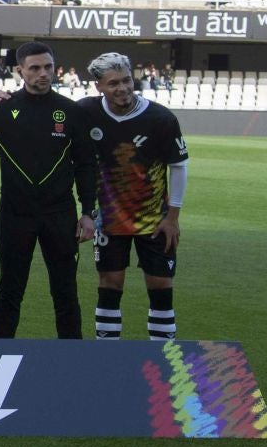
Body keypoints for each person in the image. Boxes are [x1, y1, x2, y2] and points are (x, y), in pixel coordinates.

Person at [0, 41, 98, 340]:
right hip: (15, 214)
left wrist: (88, 213)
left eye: (48, 67)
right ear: (19, 70)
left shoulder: (70, 112)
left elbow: (87, 165)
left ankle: (72, 358)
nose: (43, 73)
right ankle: (1, 356)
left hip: (60, 215)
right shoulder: (2, 108)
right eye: (34, 68)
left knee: (65, 292)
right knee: (10, 291)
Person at [76, 53, 187, 341]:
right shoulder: (85, 112)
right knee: (110, 284)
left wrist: (172, 218)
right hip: (109, 220)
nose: (123, 88)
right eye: (113, 83)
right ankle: (108, 357)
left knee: (160, 285)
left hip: (155, 220)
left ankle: (163, 356)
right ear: (98, 85)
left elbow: (178, 167)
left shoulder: (161, 118)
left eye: (127, 80)